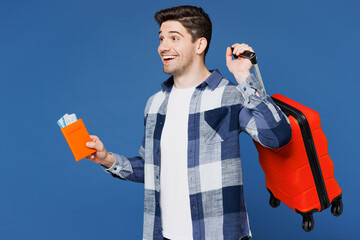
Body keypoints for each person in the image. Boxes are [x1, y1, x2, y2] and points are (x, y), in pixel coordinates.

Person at [85, 5, 291, 240]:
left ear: (199, 45)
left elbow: (278, 137)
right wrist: (106, 159)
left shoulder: (230, 95)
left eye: (174, 38)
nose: (163, 46)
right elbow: (151, 167)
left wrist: (245, 76)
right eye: (161, 38)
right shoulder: (155, 105)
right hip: (163, 234)